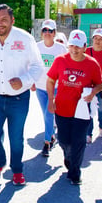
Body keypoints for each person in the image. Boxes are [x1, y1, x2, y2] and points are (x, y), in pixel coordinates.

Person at [0, 4, 43, 185]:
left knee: (16, 138)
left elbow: (38, 66)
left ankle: (17, 170)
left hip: (18, 99)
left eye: (4, 19)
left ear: (12, 20)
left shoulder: (25, 39)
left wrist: (24, 80)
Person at [47, 29, 102, 184]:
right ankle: (68, 156)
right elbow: (50, 80)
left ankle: (75, 172)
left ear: (85, 46)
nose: (74, 49)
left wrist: (93, 93)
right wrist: (50, 99)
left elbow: (100, 84)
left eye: (78, 46)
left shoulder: (92, 64)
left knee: (78, 142)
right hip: (62, 108)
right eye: (72, 45)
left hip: (82, 111)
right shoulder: (60, 60)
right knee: (64, 140)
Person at [33, 19, 67, 156]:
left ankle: (47, 142)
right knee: (46, 115)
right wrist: (32, 82)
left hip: (56, 87)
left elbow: (66, 66)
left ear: (55, 33)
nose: (47, 33)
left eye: (50, 31)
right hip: (40, 87)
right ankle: (52, 135)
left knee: (49, 113)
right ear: (41, 33)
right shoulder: (36, 47)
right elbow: (32, 65)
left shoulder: (61, 48)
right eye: (45, 30)